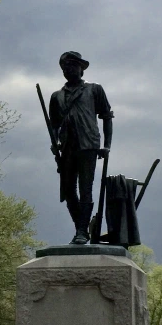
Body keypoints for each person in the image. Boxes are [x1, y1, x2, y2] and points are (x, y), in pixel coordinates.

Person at [49, 51, 113, 245]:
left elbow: (107, 117)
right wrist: (54, 142)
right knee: (68, 190)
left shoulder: (94, 90)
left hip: (88, 146)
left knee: (86, 189)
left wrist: (107, 145)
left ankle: (80, 232)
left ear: (81, 69)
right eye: (65, 67)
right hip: (67, 147)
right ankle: (82, 227)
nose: (69, 70)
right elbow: (53, 125)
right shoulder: (56, 96)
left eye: (73, 66)